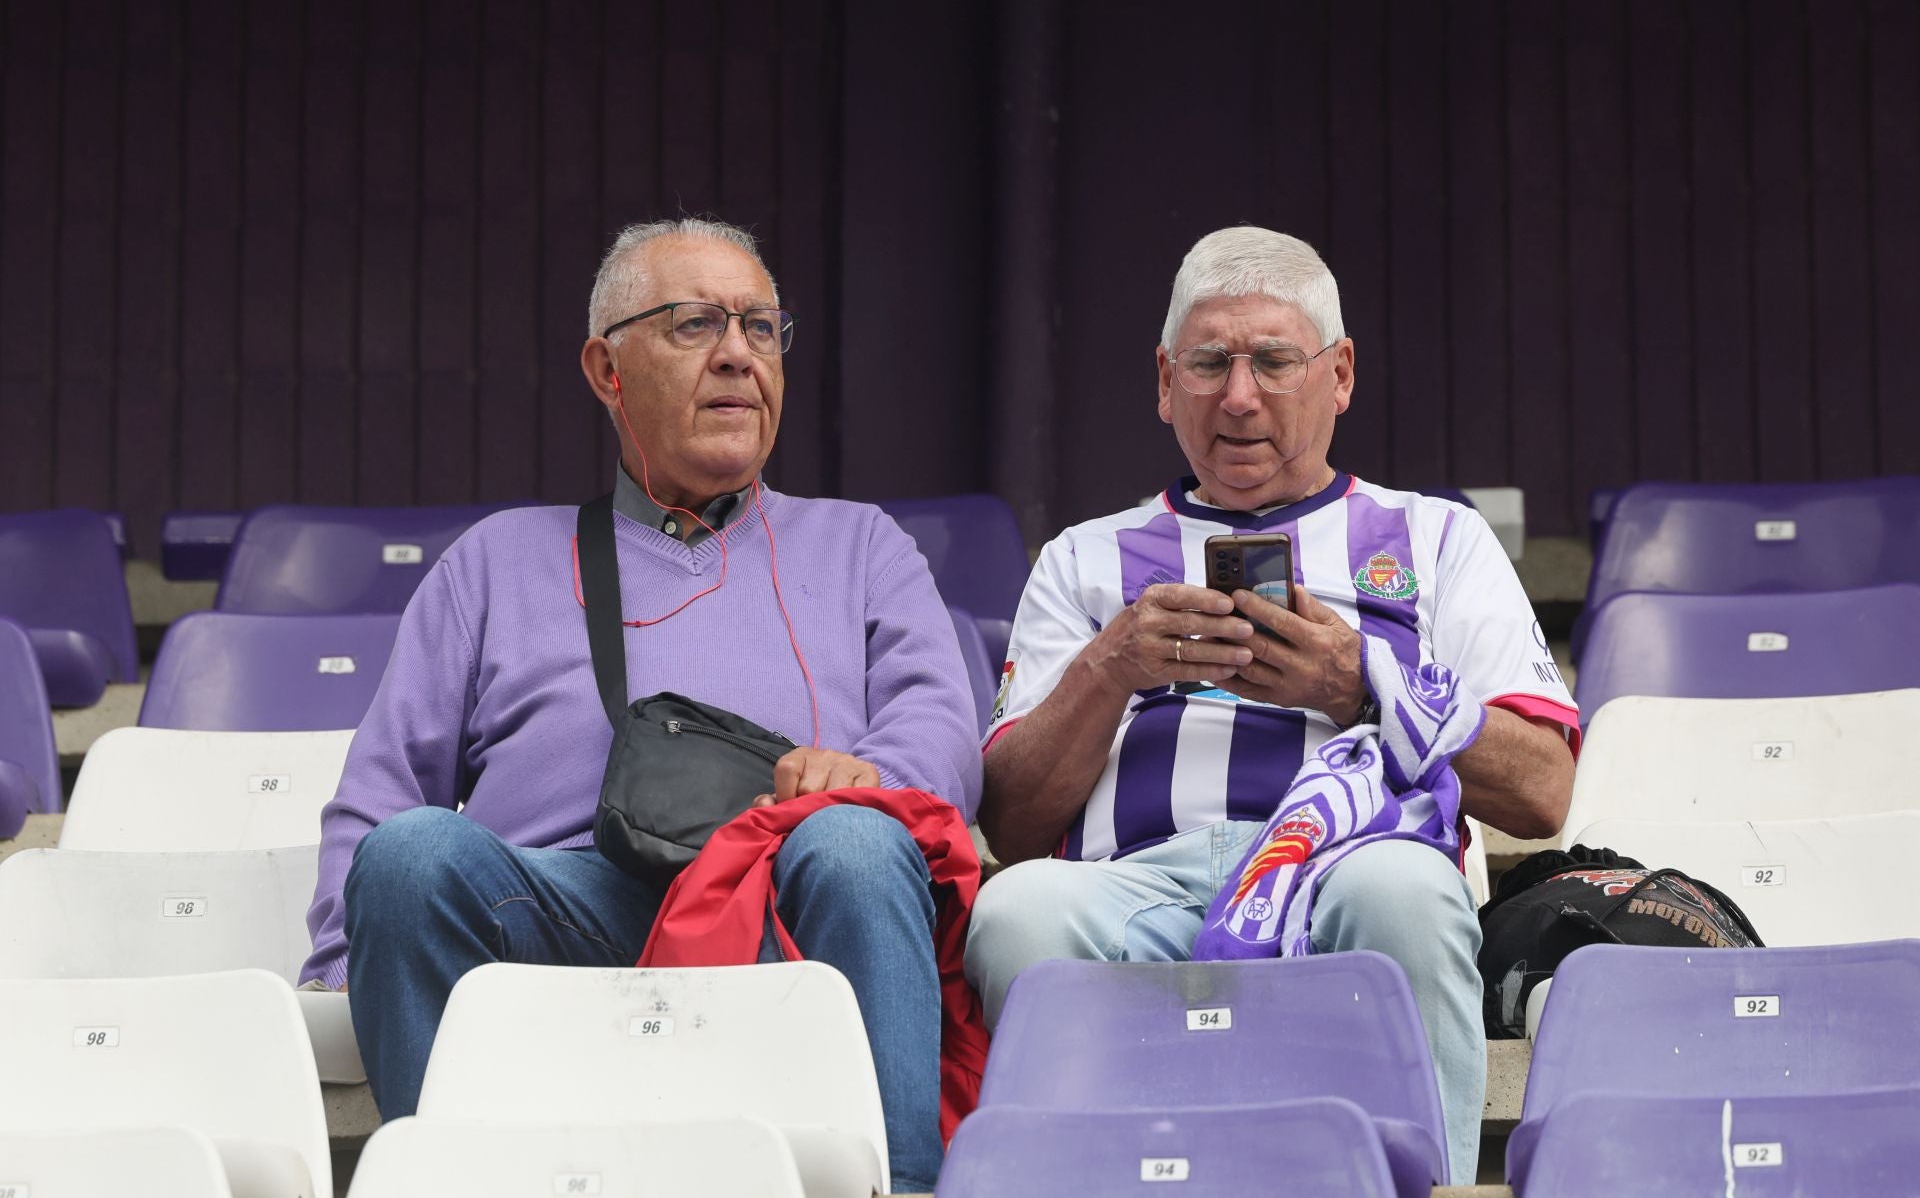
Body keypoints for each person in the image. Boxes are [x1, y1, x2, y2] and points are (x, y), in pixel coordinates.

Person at [301, 217, 980, 1193]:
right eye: (696, 323)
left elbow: (941, 733)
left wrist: (866, 780)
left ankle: (898, 1186)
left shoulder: (862, 545)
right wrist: (338, 954)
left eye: (760, 326)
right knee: (410, 856)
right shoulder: (495, 560)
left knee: (862, 840)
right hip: (563, 910)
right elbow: (384, 786)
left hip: (781, 899)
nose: (739, 354)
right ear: (607, 369)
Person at [963, 226, 1577, 1184]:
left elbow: (1543, 790)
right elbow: (1010, 821)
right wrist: (1112, 666)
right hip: (1138, 883)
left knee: (1404, 893)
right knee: (1017, 912)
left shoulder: (1438, 538)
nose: (1239, 396)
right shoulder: (1084, 557)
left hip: (1353, 865)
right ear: (1165, 382)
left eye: (1274, 362)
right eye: (1210, 363)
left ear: (1340, 375)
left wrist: (1360, 683)